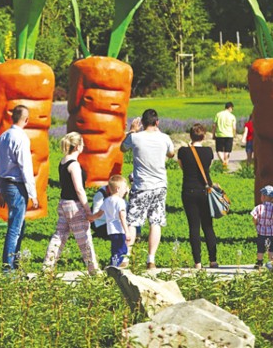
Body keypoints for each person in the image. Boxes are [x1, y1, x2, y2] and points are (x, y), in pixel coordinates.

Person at [120, 109, 175, 270]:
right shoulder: (165, 138)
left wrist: (131, 130)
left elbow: (122, 148)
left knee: (132, 221)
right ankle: (151, 259)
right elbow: (171, 154)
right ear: (157, 122)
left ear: (142, 123)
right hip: (159, 186)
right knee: (155, 222)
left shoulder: (135, 137)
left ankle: (127, 257)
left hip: (140, 186)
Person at [42, 132, 99, 276]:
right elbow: (79, 189)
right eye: (82, 144)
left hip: (63, 203)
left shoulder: (63, 161)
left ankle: (47, 267)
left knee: (59, 235)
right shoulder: (74, 165)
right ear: (78, 146)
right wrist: (87, 210)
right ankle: (94, 271)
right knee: (84, 239)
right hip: (74, 206)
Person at [0, 105, 38, 271]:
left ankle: (15, 263)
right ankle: (8, 268)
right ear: (26, 120)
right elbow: (25, 167)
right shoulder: (21, 138)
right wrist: (33, 193)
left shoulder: (2, 137)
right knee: (15, 227)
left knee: (18, 225)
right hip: (17, 185)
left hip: (5, 183)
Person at [177, 123, 219, 269]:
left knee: (193, 227)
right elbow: (208, 167)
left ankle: (197, 262)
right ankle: (213, 260)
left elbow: (182, 166)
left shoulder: (183, 151)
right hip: (205, 191)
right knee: (208, 226)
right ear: (204, 136)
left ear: (190, 136)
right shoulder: (208, 151)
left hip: (189, 190)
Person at [90, 175, 130, 268]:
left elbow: (98, 213)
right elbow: (122, 217)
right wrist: (127, 231)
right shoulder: (120, 202)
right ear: (117, 189)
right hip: (119, 229)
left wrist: (90, 217)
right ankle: (113, 266)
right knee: (122, 250)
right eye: (124, 188)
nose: (126, 190)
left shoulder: (107, 200)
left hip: (111, 230)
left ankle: (113, 263)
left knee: (115, 249)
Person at [251, 185, 273, 269]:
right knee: (271, 248)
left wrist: (256, 223)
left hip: (261, 232)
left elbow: (254, 218)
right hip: (271, 232)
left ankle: (259, 262)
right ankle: (270, 263)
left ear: (263, 197)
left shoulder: (259, 208)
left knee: (260, 247)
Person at [212, 102, 237, 169]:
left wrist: (213, 134)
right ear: (230, 108)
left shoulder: (218, 114)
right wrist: (234, 135)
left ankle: (223, 161)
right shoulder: (232, 116)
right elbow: (234, 127)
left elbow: (214, 125)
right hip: (229, 135)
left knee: (219, 150)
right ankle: (225, 162)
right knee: (227, 150)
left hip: (220, 134)